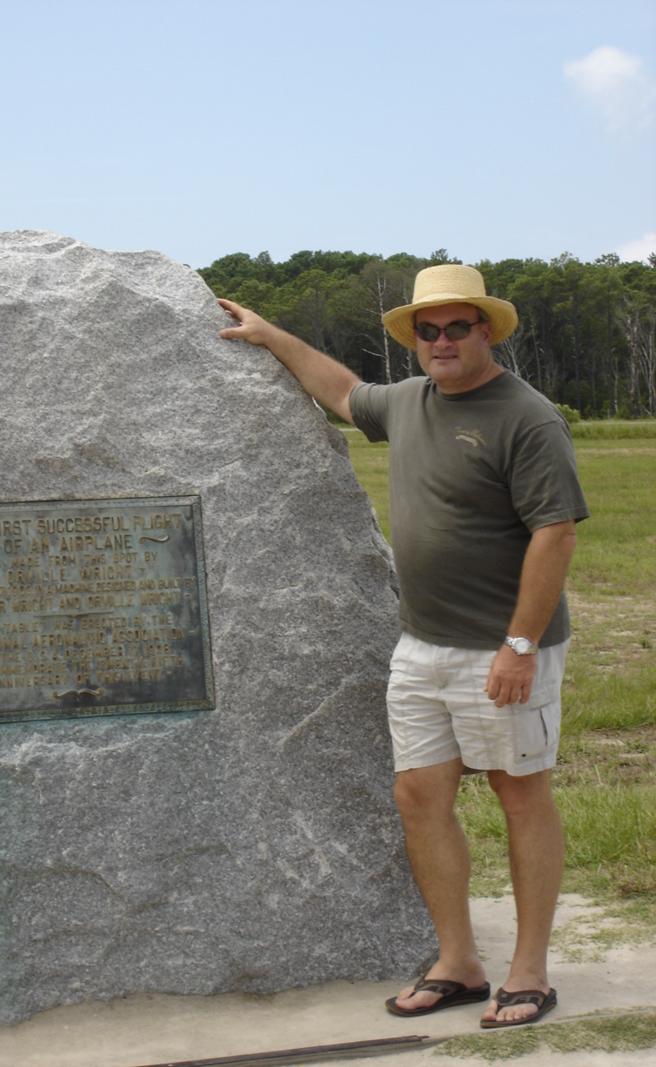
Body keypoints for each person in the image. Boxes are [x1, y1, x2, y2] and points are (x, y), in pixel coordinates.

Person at [218, 264, 589, 1030]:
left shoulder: (527, 416)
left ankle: (529, 971)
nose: (444, 340)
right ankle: (458, 961)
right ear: (414, 338)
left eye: (459, 326)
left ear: (487, 331)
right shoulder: (411, 402)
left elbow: (555, 532)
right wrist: (270, 335)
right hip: (421, 648)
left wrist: (519, 643)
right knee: (420, 797)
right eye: (430, 329)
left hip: (502, 650)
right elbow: (343, 391)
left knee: (520, 796)